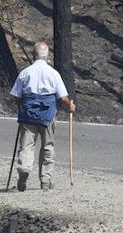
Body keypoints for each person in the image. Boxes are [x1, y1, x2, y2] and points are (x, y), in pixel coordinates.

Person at [11, 41, 75, 191]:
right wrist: (69, 107)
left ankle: (24, 169)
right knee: (47, 146)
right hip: (47, 114)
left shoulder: (25, 72)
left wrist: (21, 106)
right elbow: (62, 98)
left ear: (34, 55)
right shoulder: (53, 73)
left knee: (26, 146)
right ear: (48, 56)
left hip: (28, 113)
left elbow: (16, 95)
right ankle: (46, 180)